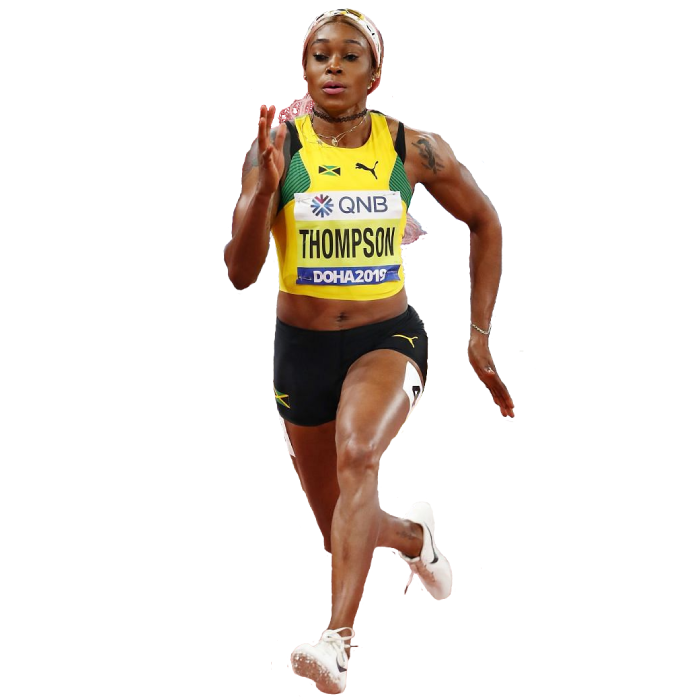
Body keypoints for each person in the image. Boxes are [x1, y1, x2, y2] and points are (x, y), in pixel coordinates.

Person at [224, 8, 514, 695]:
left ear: (375, 74)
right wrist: (264, 192)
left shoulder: (412, 148)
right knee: (340, 536)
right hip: (300, 353)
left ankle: (336, 644)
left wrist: (479, 334)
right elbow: (240, 274)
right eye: (319, 55)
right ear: (304, 70)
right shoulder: (278, 149)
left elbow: (485, 220)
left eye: (349, 56)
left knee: (359, 455)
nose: (333, 66)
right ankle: (415, 539)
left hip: (387, 339)